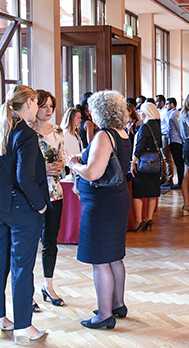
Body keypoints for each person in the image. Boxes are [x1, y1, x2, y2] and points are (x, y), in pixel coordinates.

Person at [0, 84, 49, 343]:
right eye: (37, 102)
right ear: (30, 102)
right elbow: (25, 178)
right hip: (21, 209)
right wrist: (41, 205)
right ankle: (25, 325)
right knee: (22, 267)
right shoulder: (25, 134)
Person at [67, 91, 132, 329]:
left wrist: (75, 165)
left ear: (100, 112)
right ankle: (117, 304)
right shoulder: (123, 133)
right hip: (117, 198)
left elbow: (94, 173)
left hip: (102, 203)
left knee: (101, 260)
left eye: (92, 110)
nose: (89, 114)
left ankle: (104, 314)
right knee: (114, 255)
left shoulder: (105, 135)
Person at [30, 90, 66, 311]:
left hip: (55, 191)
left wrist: (60, 165)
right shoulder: (27, 133)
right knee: (29, 244)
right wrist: (42, 168)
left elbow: (62, 155)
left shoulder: (58, 131)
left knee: (50, 242)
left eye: (51, 106)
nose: (48, 110)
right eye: (44, 106)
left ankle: (48, 285)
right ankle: (27, 292)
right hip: (33, 193)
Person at [130, 102, 162, 232]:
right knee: (152, 192)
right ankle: (149, 218)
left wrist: (133, 161)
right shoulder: (157, 126)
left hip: (144, 163)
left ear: (145, 112)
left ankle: (138, 221)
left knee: (138, 193)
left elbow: (140, 146)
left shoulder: (145, 127)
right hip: (155, 162)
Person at [166, 97, 184, 189]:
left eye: (167, 103)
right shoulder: (173, 113)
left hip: (176, 141)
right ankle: (181, 181)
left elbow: (179, 128)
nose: (166, 105)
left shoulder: (174, 114)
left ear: (172, 104)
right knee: (178, 163)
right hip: (175, 140)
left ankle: (181, 182)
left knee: (179, 163)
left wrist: (183, 141)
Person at [158, 94, 174, 187]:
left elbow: (168, 125)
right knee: (162, 158)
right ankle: (164, 177)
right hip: (161, 135)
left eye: (157, 101)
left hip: (165, 135)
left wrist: (168, 137)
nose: (156, 103)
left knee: (167, 158)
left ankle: (169, 178)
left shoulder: (165, 112)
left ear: (162, 102)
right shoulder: (160, 111)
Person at [61, 107, 83, 175]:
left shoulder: (76, 134)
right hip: (70, 167)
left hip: (77, 166)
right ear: (71, 118)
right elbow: (64, 152)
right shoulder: (65, 134)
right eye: (78, 117)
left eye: (80, 117)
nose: (80, 120)